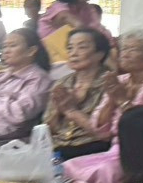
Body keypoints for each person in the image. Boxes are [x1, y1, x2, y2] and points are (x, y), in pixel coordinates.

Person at [62, 29, 143, 183]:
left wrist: (123, 101)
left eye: (133, 49)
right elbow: (99, 128)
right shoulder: (119, 80)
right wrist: (111, 100)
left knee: (106, 171)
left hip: (142, 152)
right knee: (69, 166)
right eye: (124, 49)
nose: (124, 53)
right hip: (115, 149)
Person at [44, 28, 115, 160]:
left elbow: (105, 134)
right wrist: (58, 111)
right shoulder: (62, 83)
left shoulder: (110, 84)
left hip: (92, 149)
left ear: (100, 54)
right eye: (70, 48)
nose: (73, 53)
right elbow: (47, 130)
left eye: (81, 47)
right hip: (57, 147)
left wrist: (72, 111)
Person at [0, 29, 52, 139]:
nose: (6, 51)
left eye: (12, 46)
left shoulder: (39, 79)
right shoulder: (2, 75)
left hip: (5, 136)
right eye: (5, 46)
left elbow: (19, 113)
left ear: (31, 51)